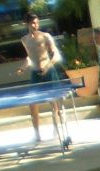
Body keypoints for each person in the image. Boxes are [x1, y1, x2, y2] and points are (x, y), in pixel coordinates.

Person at [18, 12, 65, 145]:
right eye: (33, 23)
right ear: (27, 24)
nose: (36, 25)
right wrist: (23, 67)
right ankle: (37, 134)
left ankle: (56, 129)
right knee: (33, 104)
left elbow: (56, 55)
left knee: (54, 102)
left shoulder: (46, 36)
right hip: (35, 73)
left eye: (37, 23)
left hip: (48, 71)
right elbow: (30, 57)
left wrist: (47, 66)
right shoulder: (24, 40)